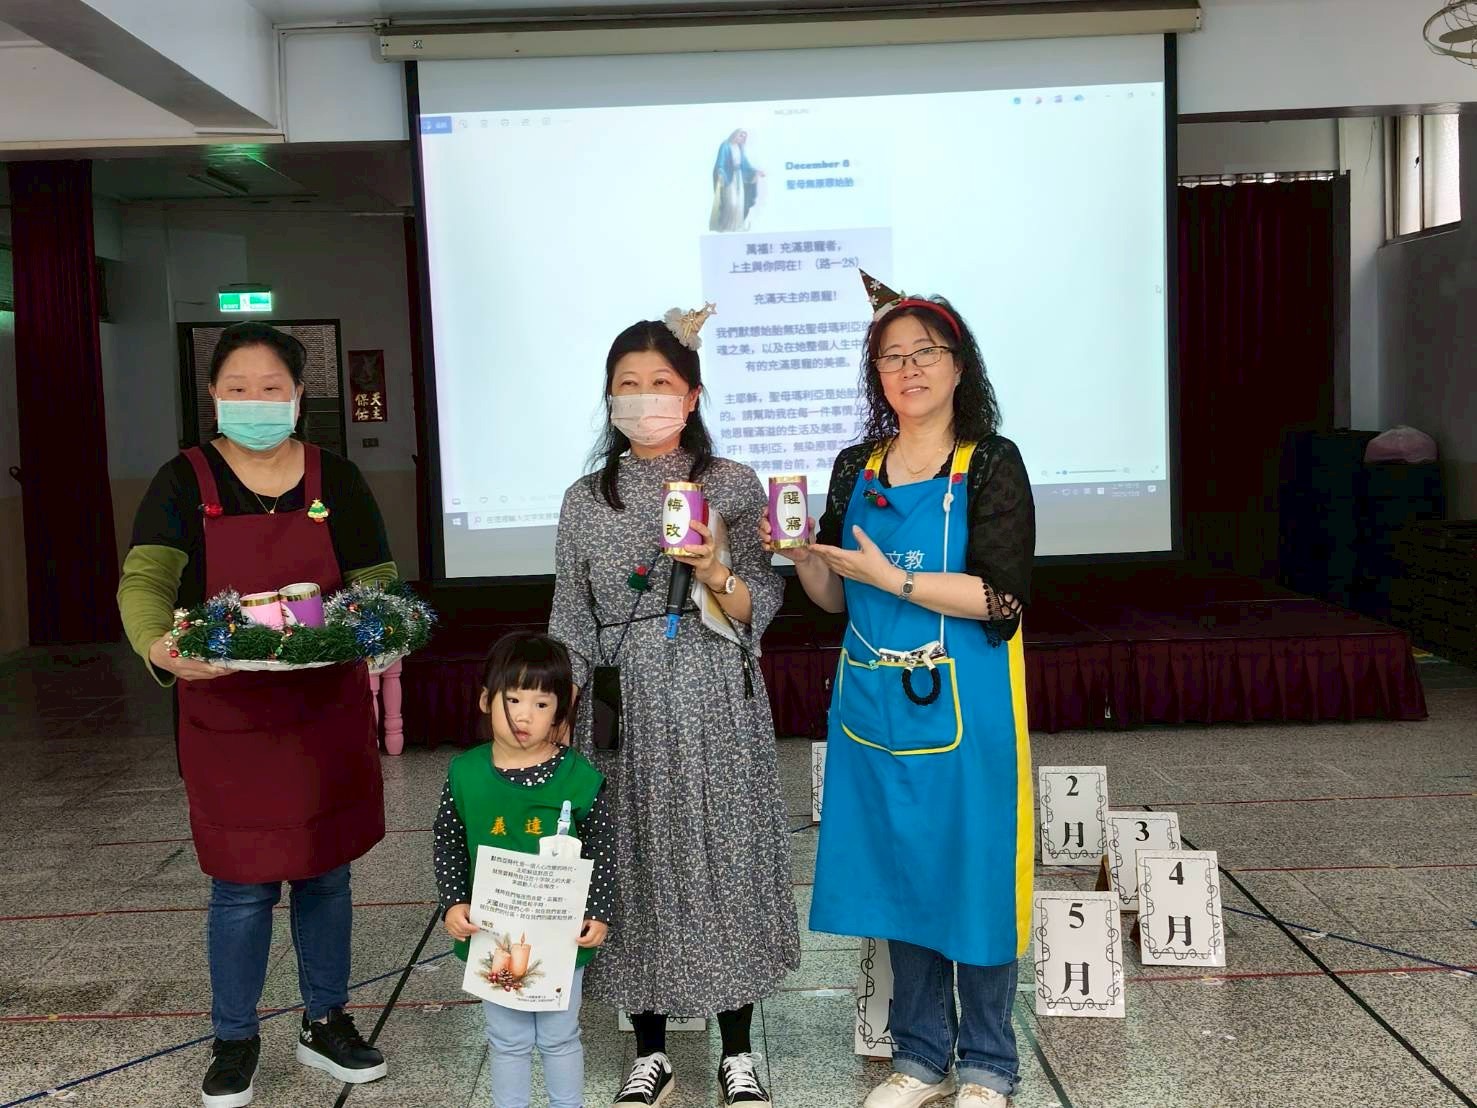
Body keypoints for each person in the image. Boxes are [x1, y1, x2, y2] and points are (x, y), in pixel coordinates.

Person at [764, 272, 1036, 1108]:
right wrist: (806, 558)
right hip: (873, 702)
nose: (908, 369)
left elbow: (1001, 598)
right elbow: (834, 599)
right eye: (891, 357)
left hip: (968, 699)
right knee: (900, 872)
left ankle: (987, 1064)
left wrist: (897, 579)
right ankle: (920, 1058)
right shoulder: (857, 465)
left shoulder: (989, 462)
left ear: (959, 365)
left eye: (925, 353)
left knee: (975, 869)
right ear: (874, 374)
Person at [116, 322, 394, 1108]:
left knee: (326, 872)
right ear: (213, 395)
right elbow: (146, 579)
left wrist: (379, 629)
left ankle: (326, 1021)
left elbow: (374, 575)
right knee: (241, 887)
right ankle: (234, 1036)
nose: (255, 401)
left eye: (271, 388)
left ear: (299, 395)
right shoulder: (183, 480)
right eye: (237, 388)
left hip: (322, 711)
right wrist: (156, 644)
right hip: (227, 715)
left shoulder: (335, 477)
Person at [549, 306, 799, 1108]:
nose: (643, 397)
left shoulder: (730, 484)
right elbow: (569, 615)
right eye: (627, 384)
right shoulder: (585, 499)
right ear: (608, 397)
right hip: (619, 702)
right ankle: (648, 1049)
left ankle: (737, 1051)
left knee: (723, 857)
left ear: (691, 396)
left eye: (660, 383)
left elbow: (759, 600)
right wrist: (556, 712)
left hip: (712, 690)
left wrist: (715, 568)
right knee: (629, 863)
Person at [433, 632, 614, 1108]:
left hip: (560, 934)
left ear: (560, 711)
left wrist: (598, 911)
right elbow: (448, 840)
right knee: (507, 1038)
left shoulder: (579, 778)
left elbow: (603, 848)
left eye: (541, 703)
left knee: (559, 1035)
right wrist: (453, 902)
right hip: (491, 931)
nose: (523, 716)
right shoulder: (465, 773)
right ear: (485, 700)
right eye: (512, 699)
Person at [709, 129, 762, 232]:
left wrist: (755, 171)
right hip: (729, 177)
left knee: (739, 202)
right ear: (735, 134)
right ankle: (726, 226)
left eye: (744, 137)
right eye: (741, 136)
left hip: (739, 177)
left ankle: (737, 226)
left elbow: (745, 163)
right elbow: (720, 162)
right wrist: (720, 171)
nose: (742, 138)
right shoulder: (725, 145)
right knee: (731, 202)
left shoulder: (739, 147)